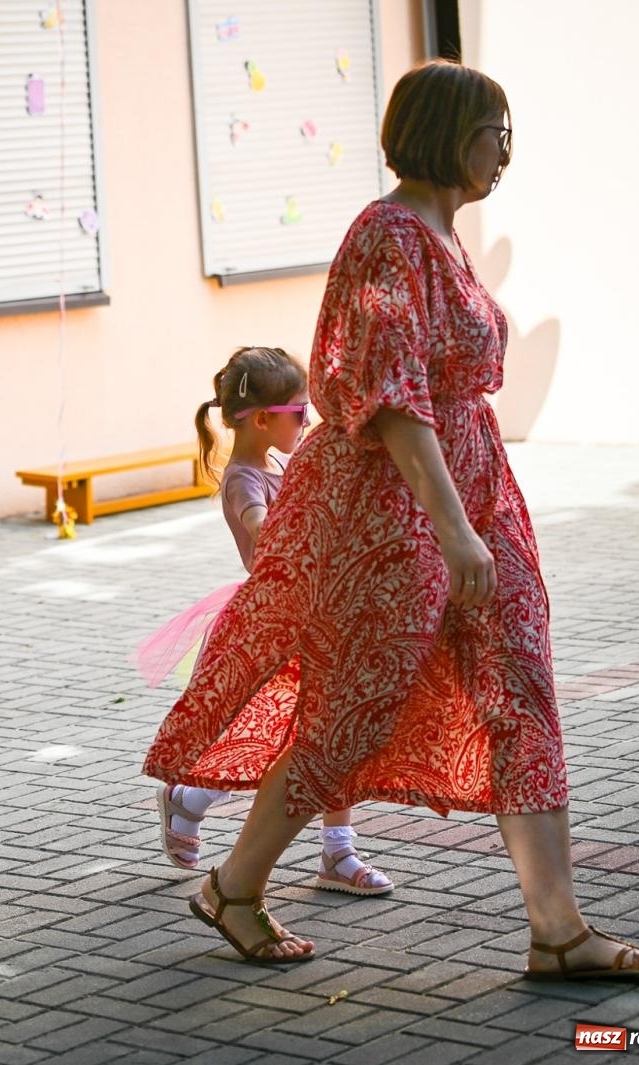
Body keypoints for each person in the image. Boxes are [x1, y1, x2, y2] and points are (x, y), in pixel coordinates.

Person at [144, 60, 639, 979]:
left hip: (475, 492)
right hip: (394, 512)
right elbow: (390, 399)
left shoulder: (443, 235)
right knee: (352, 707)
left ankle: (559, 929)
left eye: (507, 136)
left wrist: (478, 517)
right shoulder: (387, 237)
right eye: (493, 133)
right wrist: (453, 526)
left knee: (523, 689)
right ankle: (234, 885)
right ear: (444, 131)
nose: (505, 153)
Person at [139, 347, 393, 896]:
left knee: (332, 730)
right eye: (300, 412)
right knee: (270, 739)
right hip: (273, 623)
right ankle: (190, 796)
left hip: (318, 615)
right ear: (261, 418)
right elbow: (264, 531)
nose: (307, 421)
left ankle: (337, 852)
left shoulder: (279, 463)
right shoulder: (243, 482)